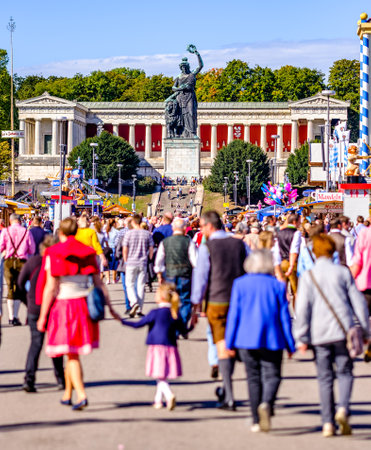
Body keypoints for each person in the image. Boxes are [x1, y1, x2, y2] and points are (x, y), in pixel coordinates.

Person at [37, 217, 120, 410]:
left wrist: (42, 315)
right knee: (70, 353)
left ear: (60, 233)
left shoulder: (53, 253)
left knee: (71, 354)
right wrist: (110, 306)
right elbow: (99, 283)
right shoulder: (88, 253)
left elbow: (50, 288)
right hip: (83, 305)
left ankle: (81, 395)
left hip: (64, 306)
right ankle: (67, 394)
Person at [295, 234, 369, 437]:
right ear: (333, 251)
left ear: (314, 252)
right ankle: (343, 408)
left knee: (324, 377)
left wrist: (301, 337)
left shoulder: (308, 276)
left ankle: (328, 422)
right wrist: (364, 331)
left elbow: (302, 310)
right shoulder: (343, 273)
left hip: (319, 334)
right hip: (343, 331)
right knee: (345, 372)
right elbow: (359, 303)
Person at [225, 249, 295, 432]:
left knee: (253, 378)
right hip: (273, 338)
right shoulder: (278, 286)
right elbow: (284, 317)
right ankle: (267, 403)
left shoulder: (240, 284)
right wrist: (290, 343)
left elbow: (234, 315)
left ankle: (256, 419)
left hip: (246, 339)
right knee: (273, 376)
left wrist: (229, 342)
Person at [191, 211, 246, 411]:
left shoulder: (207, 247)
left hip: (217, 300)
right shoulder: (240, 244)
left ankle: (228, 394)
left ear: (208, 226)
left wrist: (196, 305)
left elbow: (201, 277)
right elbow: (249, 268)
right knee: (232, 343)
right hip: (239, 301)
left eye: (202, 227)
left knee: (222, 345)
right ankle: (226, 389)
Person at [121, 282, 186, 410]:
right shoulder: (174, 313)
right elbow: (184, 330)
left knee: (159, 375)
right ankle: (158, 401)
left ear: (162, 297)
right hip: (171, 347)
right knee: (161, 375)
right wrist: (193, 324)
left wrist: (122, 321)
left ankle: (168, 394)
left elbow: (138, 325)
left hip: (156, 347)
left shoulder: (154, 313)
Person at [18, 235, 65, 393]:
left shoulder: (32, 262)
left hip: (34, 307)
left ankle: (29, 380)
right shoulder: (58, 262)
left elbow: (20, 283)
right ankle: (61, 379)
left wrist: (28, 300)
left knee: (35, 344)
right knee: (55, 345)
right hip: (52, 307)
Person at [154, 217, 197, 332]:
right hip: (185, 274)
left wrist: (159, 275)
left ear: (173, 228)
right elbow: (195, 261)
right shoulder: (189, 242)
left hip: (170, 274)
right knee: (185, 300)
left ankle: (175, 325)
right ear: (184, 229)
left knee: (172, 301)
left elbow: (159, 261)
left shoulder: (165, 242)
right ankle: (182, 324)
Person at [0, 213, 35, 326]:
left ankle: (10, 317)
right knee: (19, 288)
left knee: (10, 288)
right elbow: (32, 250)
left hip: (9, 261)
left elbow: (0, 247)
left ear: (10, 221)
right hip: (22, 262)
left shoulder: (5, 231)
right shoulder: (26, 232)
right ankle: (15, 316)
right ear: (19, 221)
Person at [123, 214, 154, 317]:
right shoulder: (147, 234)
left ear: (133, 222)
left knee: (129, 284)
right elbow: (151, 248)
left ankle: (134, 302)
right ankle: (139, 309)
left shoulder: (128, 234)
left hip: (131, 262)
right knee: (141, 285)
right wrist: (149, 258)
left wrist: (125, 259)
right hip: (143, 262)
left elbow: (125, 248)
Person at [350, 224, 371, 361]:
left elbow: (358, 260)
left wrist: (348, 280)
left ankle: (367, 338)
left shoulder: (364, 234)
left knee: (364, 316)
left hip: (366, 283)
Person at [104, 218, 120, 284]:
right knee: (114, 265)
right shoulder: (116, 232)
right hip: (114, 248)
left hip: (106, 249)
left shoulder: (105, 230)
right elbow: (117, 241)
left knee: (107, 264)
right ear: (114, 224)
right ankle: (114, 279)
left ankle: (108, 279)